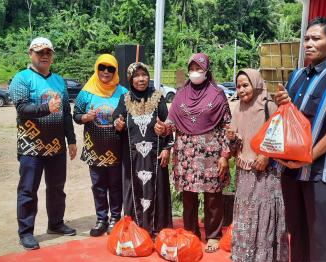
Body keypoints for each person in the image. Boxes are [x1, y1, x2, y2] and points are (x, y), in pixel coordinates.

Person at [155, 53, 230, 252]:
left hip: (211, 153)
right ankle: (191, 233)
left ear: (207, 70)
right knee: (189, 196)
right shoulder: (180, 94)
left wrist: (224, 155)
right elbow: (171, 123)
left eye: (199, 68)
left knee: (213, 196)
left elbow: (226, 126)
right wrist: (163, 128)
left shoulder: (217, 94)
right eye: (192, 68)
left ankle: (213, 235)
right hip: (186, 153)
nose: (195, 72)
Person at [9, 37, 77, 250]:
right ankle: (26, 232)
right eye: (40, 52)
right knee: (28, 190)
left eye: (48, 52)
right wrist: (47, 108)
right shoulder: (22, 78)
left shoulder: (59, 81)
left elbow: (66, 113)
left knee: (57, 188)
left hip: (56, 146)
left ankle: (55, 223)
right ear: (31, 53)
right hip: (31, 147)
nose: (45, 55)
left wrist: (72, 140)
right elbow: (21, 108)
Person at [275, 17, 326, 261]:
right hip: (291, 172)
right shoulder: (297, 75)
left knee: (322, 242)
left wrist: (308, 156)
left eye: (316, 38)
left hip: (320, 173)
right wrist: (282, 103)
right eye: (306, 38)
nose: (308, 43)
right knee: (297, 235)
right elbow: (288, 117)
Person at [226, 69, 288, 261]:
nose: (242, 90)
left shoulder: (269, 105)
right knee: (246, 215)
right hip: (245, 173)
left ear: (256, 83)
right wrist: (232, 139)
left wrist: (266, 155)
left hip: (265, 173)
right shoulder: (237, 108)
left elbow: (279, 134)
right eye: (238, 86)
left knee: (264, 214)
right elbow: (235, 147)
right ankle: (246, 255)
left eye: (246, 85)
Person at [113, 62, 173, 237]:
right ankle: (136, 232)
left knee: (157, 190)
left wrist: (167, 146)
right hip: (132, 158)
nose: (141, 79)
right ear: (131, 79)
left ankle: (158, 231)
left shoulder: (158, 97)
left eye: (144, 75)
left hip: (155, 157)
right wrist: (118, 123)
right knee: (133, 190)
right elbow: (117, 117)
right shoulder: (125, 99)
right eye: (137, 76)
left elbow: (168, 123)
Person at [73, 54, 127, 236]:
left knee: (115, 185)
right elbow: (76, 115)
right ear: (97, 69)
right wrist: (85, 117)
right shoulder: (86, 92)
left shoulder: (123, 93)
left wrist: (124, 124)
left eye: (110, 68)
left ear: (115, 71)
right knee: (98, 185)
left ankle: (115, 218)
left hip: (116, 149)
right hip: (94, 148)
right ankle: (101, 219)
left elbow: (131, 118)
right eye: (102, 67)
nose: (106, 71)